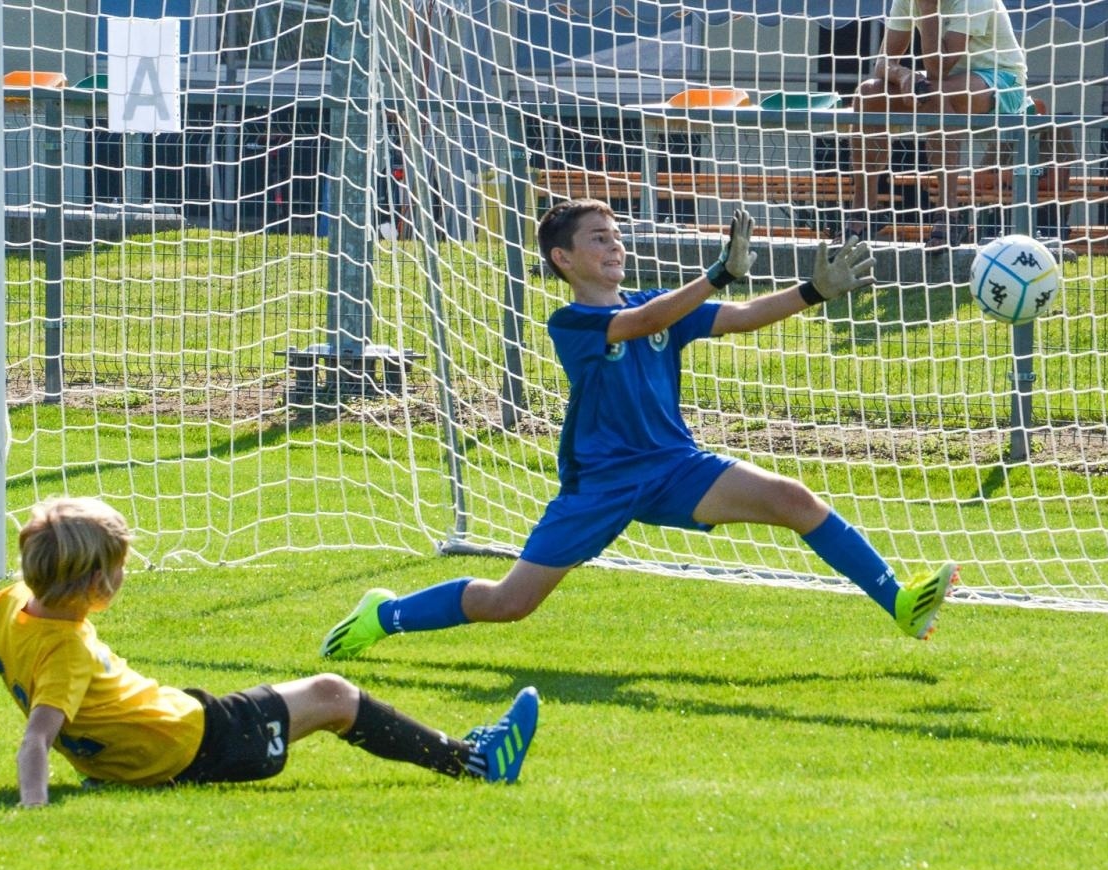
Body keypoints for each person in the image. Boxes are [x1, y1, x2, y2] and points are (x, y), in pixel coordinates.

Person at [319, 198, 958, 663]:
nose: (615, 245)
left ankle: (900, 603)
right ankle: (384, 614)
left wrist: (811, 292)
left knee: (792, 499)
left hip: (674, 466)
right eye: (599, 238)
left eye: (617, 235)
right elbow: (652, 318)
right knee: (510, 602)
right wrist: (715, 273)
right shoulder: (569, 322)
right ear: (563, 259)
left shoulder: (651, 303)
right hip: (601, 484)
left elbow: (737, 316)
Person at [0, 497, 539, 807]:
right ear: (96, 586)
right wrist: (33, 816)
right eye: (120, 570)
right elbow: (35, 741)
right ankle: (477, 764)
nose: (124, 578)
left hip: (151, 746)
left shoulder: (5, 606)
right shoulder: (69, 651)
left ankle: (470, 758)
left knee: (293, 696)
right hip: (198, 745)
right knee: (333, 694)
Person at [844, 0, 1029, 248]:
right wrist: (904, 75)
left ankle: (949, 215)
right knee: (868, 94)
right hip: (945, 84)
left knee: (933, 93)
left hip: (1002, 82)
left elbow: (937, 69)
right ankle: (863, 212)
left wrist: (928, 9)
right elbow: (882, 63)